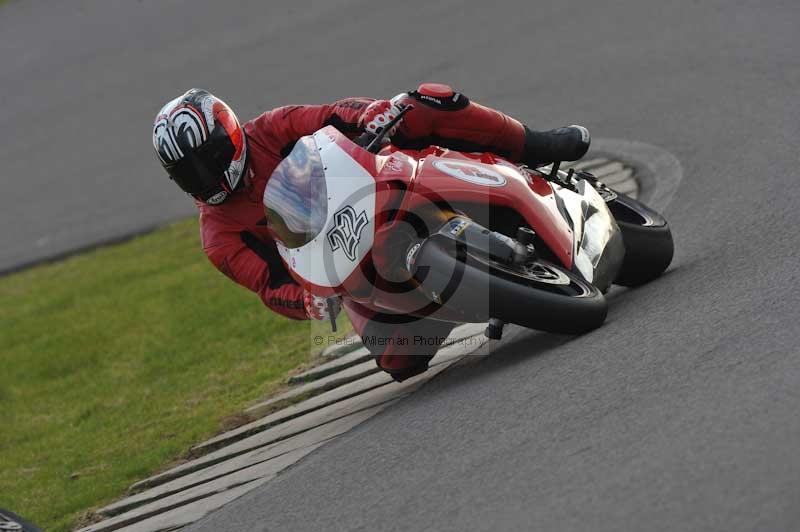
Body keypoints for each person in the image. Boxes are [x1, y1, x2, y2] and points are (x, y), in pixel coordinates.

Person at [152, 83, 590, 381]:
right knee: (400, 359)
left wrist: (372, 114)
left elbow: (332, 115)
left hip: (378, 186)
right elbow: (270, 286)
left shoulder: (271, 128)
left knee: (424, 101)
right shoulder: (219, 237)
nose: (205, 176)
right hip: (349, 268)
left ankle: (535, 145)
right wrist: (306, 302)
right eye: (188, 173)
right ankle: (475, 294)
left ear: (227, 134)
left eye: (207, 159)